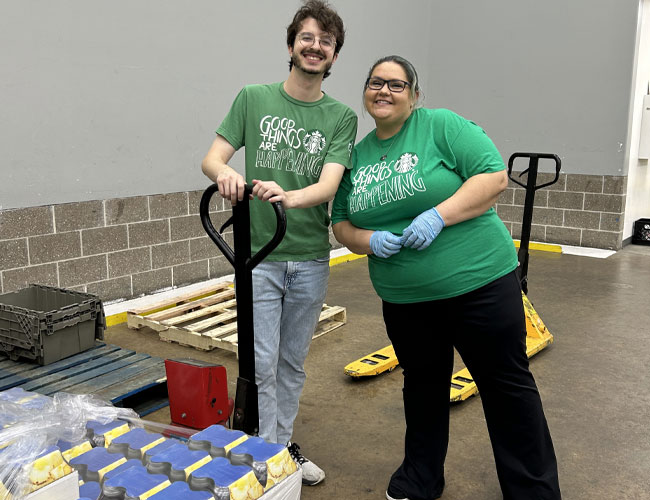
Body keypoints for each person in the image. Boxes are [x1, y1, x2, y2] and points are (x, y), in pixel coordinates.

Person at [331, 55, 561, 500]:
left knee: (505, 386)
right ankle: (421, 477)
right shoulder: (355, 157)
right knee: (422, 386)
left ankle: (532, 490)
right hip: (406, 300)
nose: (384, 91)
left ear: (415, 96)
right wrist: (368, 239)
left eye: (397, 85)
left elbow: (492, 177)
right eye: (376, 82)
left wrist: (438, 216)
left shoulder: (442, 126)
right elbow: (340, 223)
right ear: (365, 92)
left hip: (479, 285)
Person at [201, 0, 357, 486]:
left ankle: (279, 448)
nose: (315, 47)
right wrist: (226, 175)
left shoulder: (341, 116)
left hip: (309, 258)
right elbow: (212, 158)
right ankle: (267, 458)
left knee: (291, 364)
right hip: (258, 259)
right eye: (307, 38)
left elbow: (329, 185)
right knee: (261, 363)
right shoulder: (253, 98)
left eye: (326, 42)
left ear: (334, 57)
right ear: (291, 46)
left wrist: (286, 196)